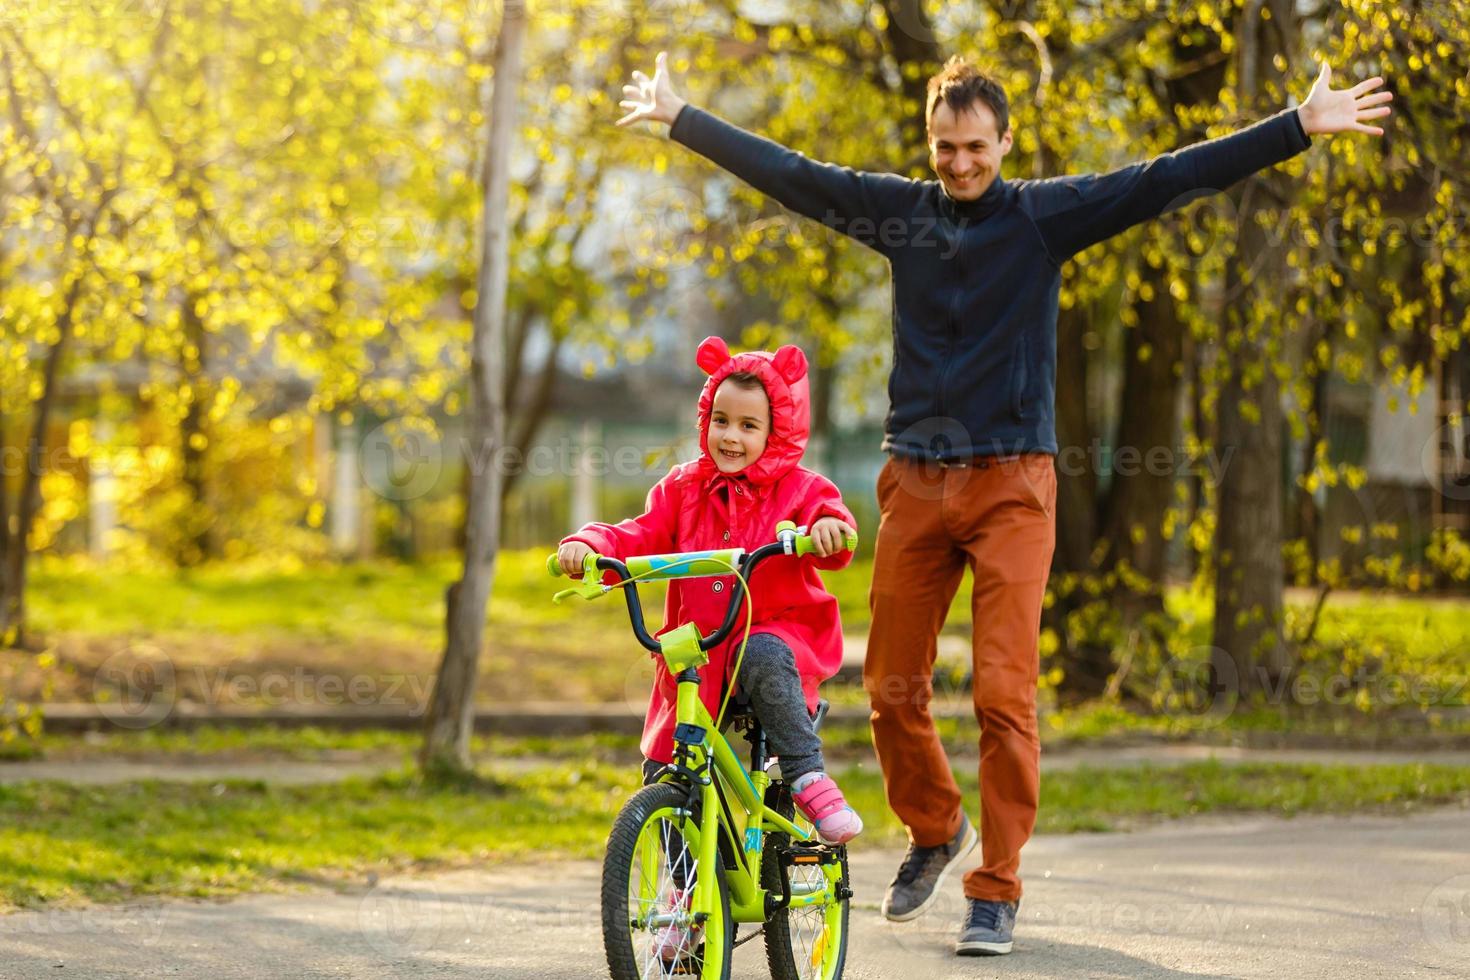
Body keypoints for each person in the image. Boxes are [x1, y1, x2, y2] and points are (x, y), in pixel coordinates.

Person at [616, 51, 1391, 956]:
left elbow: (1165, 179)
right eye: (945, 147)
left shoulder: (1042, 216)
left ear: (1005, 141)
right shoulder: (901, 213)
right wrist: (682, 118)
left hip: (1012, 486)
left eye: (975, 147)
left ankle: (997, 887)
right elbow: (796, 177)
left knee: (1001, 692)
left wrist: (1295, 126)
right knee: (888, 687)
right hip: (914, 479)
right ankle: (937, 828)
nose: (959, 163)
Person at [557, 335, 863, 841]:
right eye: (721, 420)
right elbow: (639, 533)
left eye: (749, 426)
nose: (730, 437)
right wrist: (591, 544)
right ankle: (685, 887)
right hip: (699, 646)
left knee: (762, 652)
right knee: (668, 762)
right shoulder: (683, 487)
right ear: (706, 419)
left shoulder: (801, 489)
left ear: (778, 431)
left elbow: (831, 524)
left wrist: (827, 529)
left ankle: (808, 774)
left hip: (774, 635)